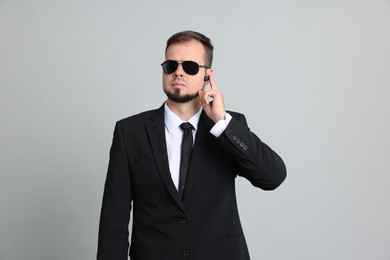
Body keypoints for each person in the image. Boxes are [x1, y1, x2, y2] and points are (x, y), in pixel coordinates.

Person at [97, 30, 287, 260]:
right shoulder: (130, 132)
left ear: (208, 75)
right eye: (170, 65)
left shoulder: (229, 126)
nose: (178, 72)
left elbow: (272, 176)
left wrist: (222, 122)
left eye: (190, 66)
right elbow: (113, 220)